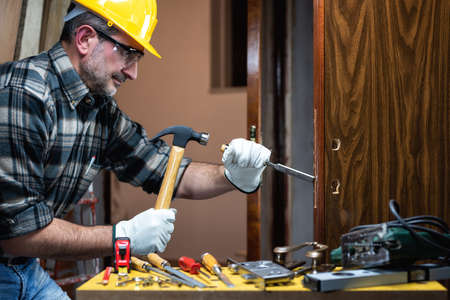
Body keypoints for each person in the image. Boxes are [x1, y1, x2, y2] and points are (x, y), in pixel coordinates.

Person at [0, 0, 270, 299]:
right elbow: (18, 235)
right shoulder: (23, 93)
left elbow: (163, 169)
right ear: (85, 38)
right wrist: (121, 236)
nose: (133, 73)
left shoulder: (99, 110)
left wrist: (231, 175)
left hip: (24, 268)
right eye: (128, 53)